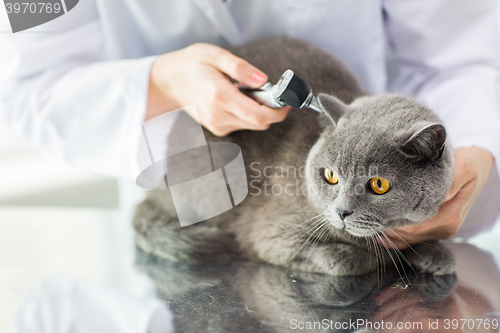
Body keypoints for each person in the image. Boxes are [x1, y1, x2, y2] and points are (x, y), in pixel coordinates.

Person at [1, 0, 499, 249]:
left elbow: (465, 55)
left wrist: (471, 159)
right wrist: (158, 84)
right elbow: (33, 84)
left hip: (380, 208)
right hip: (184, 203)